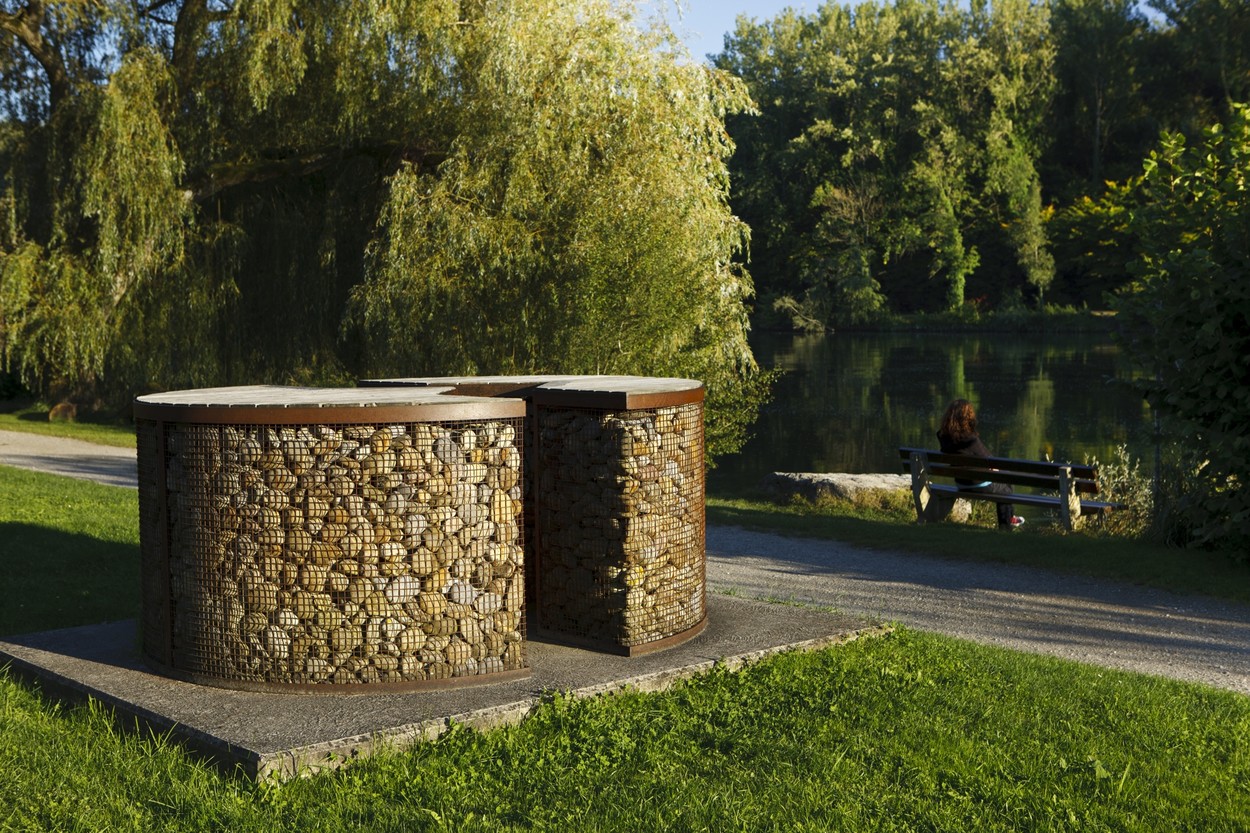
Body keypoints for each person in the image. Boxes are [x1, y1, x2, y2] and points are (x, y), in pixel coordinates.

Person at [936, 399, 1025, 530]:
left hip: (961, 483)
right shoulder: (971, 440)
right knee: (1007, 485)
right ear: (968, 417)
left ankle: (1010, 519)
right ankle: (1006, 525)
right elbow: (989, 460)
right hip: (977, 484)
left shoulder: (943, 437)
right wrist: (996, 469)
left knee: (1004, 480)